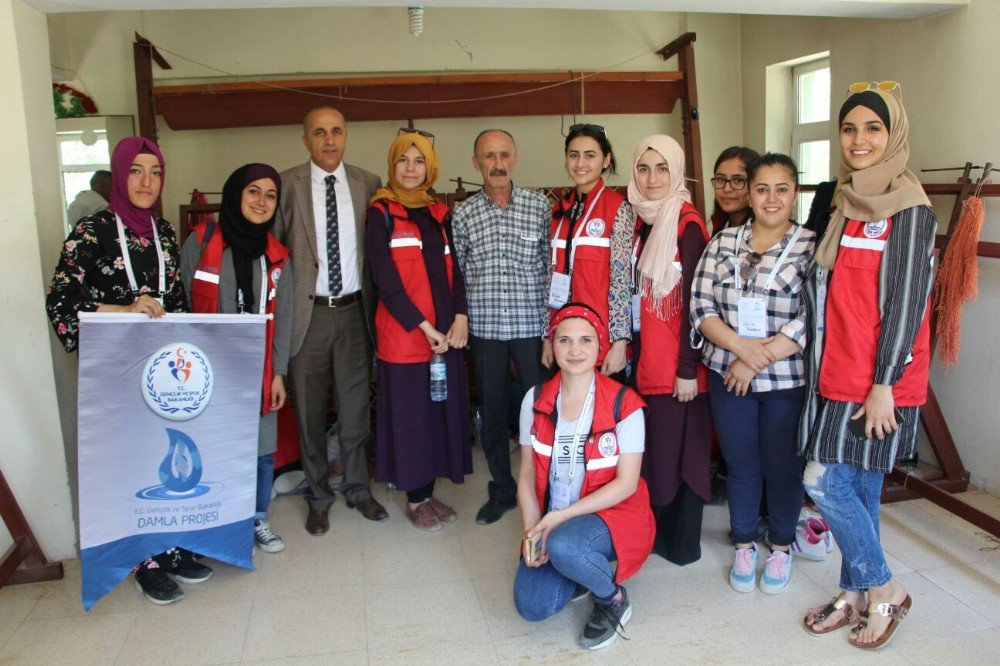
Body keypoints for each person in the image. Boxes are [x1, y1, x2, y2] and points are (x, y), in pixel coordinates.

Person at [46, 136, 211, 605]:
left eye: (154, 172)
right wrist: (125, 308)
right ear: (119, 175)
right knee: (129, 460)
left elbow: (175, 303)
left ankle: (170, 545)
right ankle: (143, 560)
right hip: (117, 371)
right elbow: (60, 299)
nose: (146, 181)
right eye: (136, 171)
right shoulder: (91, 231)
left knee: (166, 452)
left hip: (161, 373)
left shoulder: (161, 233)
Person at [800, 85, 934, 650]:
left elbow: (906, 304)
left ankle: (884, 587)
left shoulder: (909, 208)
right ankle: (855, 594)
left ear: (893, 135)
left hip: (878, 381)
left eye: (872, 129)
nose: (859, 140)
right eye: (849, 129)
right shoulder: (847, 201)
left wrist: (884, 385)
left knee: (822, 481)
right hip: (837, 370)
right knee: (860, 489)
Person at [690, 153, 816, 595]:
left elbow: (811, 317)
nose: (771, 198)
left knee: (783, 468)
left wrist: (755, 359)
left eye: (782, 189)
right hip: (730, 378)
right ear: (750, 193)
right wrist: (740, 349)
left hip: (785, 382)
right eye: (762, 188)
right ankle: (744, 543)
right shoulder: (723, 242)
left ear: (794, 193)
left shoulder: (810, 246)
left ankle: (781, 546)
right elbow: (700, 306)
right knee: (741, 467)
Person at [273, 106, 387, 535]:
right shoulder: (287, 185)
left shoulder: (368, 184)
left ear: (346, 135)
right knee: (310, 413)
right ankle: (318, 497)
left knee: (356, 411)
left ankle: (358, 489)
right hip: (309, 316)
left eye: (336, 131)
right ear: (305, 139)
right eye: (318, 132)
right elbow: (275, 253)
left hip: (356, 313)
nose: (328, 140)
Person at [513, 302, 653, 651]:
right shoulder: (533, 399)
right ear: (552, 345)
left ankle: (613, 599)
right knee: (533, 606)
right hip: (554, 516)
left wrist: (559, 518)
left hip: (608, 515)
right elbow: (527, 473)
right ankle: (577, 565)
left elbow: (627, 484)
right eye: (565, 340)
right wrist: (533, 530)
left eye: (586, 340)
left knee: (565, 544)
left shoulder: (625, 403)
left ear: (600, 346)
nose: (575, 350)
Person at [181, 163, 292, 554]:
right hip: (210, 368)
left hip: (258, 368)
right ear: (235, 194)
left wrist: (279, 372)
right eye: (253, 192)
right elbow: (181, 305)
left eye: (270, 195)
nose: (262, 202)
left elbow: (286, 314)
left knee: (261, 448)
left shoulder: (276, 254)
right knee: (214, 443)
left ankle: (257, 518)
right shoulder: (201, 240)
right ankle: (218, 520)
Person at [365, 129, 472, 531]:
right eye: (403, 161)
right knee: (411, 418)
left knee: (436, 415)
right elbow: (386, 282)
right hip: (407, 336)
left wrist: (460, 317)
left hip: (445, 338)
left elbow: (456, 271)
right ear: (391, 166)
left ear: (431, 167)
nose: (411, 169)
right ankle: (414, 498)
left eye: (419, 161)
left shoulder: (438, 214)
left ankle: (427, 492)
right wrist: (425, 327)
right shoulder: (382, 213)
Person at [452, 129, 550, 525]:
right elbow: (456, 273)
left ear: (515, 158)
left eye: (504, 155)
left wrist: (550, 328)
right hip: (486, 328)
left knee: (540, 410)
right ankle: (503, 490)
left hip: (531, 328)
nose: (497, 163)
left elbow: (551, 268)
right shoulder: (463, 213)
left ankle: (544, 487)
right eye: (488, 156)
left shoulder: (540, 207)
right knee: (491, 412)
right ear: (475, 163)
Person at [627, 135, 711, 565]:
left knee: (683, 457)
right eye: (644, 168)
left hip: (678, 369)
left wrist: (686, 368)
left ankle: (681, 546)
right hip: (647, 364)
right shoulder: (640, 220)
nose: (653, 177)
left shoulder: (686, 223)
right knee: (658, 455)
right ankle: (657, 539)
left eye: (662, 168)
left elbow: (699, 304)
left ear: (676, 171)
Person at [542, 124, 633, 380]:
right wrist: (547, 336)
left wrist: (620, 343)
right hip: (563, 342)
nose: (580, 163)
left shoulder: (618, 209)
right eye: (573, 155)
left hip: (600, 343)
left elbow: (621, 281)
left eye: (590, 155)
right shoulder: (558, 211)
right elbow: (548, 280)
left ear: (606, 160)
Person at [709, 147, 760, 236]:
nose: (727, 189)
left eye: (738, 180)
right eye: (720, 179)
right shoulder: (719, 225)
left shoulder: (763, 235)